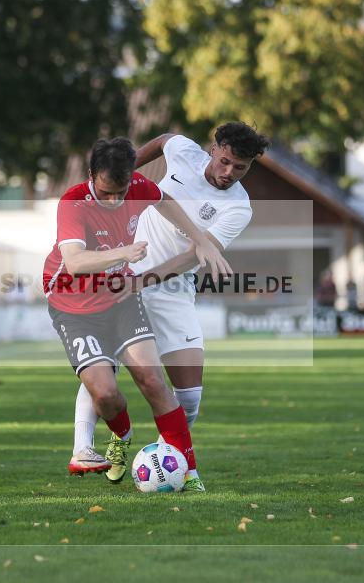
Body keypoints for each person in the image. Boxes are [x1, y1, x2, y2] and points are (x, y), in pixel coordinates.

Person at [66, 123, 269, 478]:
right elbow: (162, 141)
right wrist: (128, 171)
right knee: (103, 368)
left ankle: (164, 461)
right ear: (213, 148)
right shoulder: (184, 151)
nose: (228, 173)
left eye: (240, 168)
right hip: (120, 275)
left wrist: (145, 280)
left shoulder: (239, 207)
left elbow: (195, 256)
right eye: (224, 161)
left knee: (188, 397)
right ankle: (96, 446)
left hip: (172, 290)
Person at [44, 136, 231, 491]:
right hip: (74, 307)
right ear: (91, 176)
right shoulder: (73, 202)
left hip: (120, 297)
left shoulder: (138, 185)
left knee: (153, 382)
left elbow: (166, 201)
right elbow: (75, 262)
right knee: (106, 394)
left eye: (122, 191)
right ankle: (122, 437)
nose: (114, 201)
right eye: (106, 192)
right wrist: (123, 254)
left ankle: (190, 473)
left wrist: (201, 238)